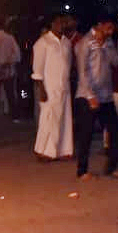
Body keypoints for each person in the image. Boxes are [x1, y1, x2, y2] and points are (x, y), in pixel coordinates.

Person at [73, 15, 118, 179]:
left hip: (106, 95)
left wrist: (107, 46)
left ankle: (111, 166)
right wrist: (90, 95)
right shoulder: (85, 42)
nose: (111, 31)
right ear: (100, 24)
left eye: (112, 28)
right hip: (88, 96)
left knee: (114, 129)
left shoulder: (108, 42)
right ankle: (82, 170)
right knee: (86, 134)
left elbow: (116, 62)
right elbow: (82, 71)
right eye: (108, 27)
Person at [32, 14, 74, 161]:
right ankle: (43, 151)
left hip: (64, 86)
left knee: (64, 118)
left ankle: (62, 150)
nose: (62, 25)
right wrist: (41, 89)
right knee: (48, 119)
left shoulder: (66, 42)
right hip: (49, 87)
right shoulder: (43, 43)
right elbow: (37, 70)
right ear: (52, 24)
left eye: (63, 22)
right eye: (58, 23)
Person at [0, 17, 23, 121]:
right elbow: (18, 55)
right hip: (7, 69)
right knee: (10, 94)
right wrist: (8, 62)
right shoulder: (9, 37)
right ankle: (15, 116)